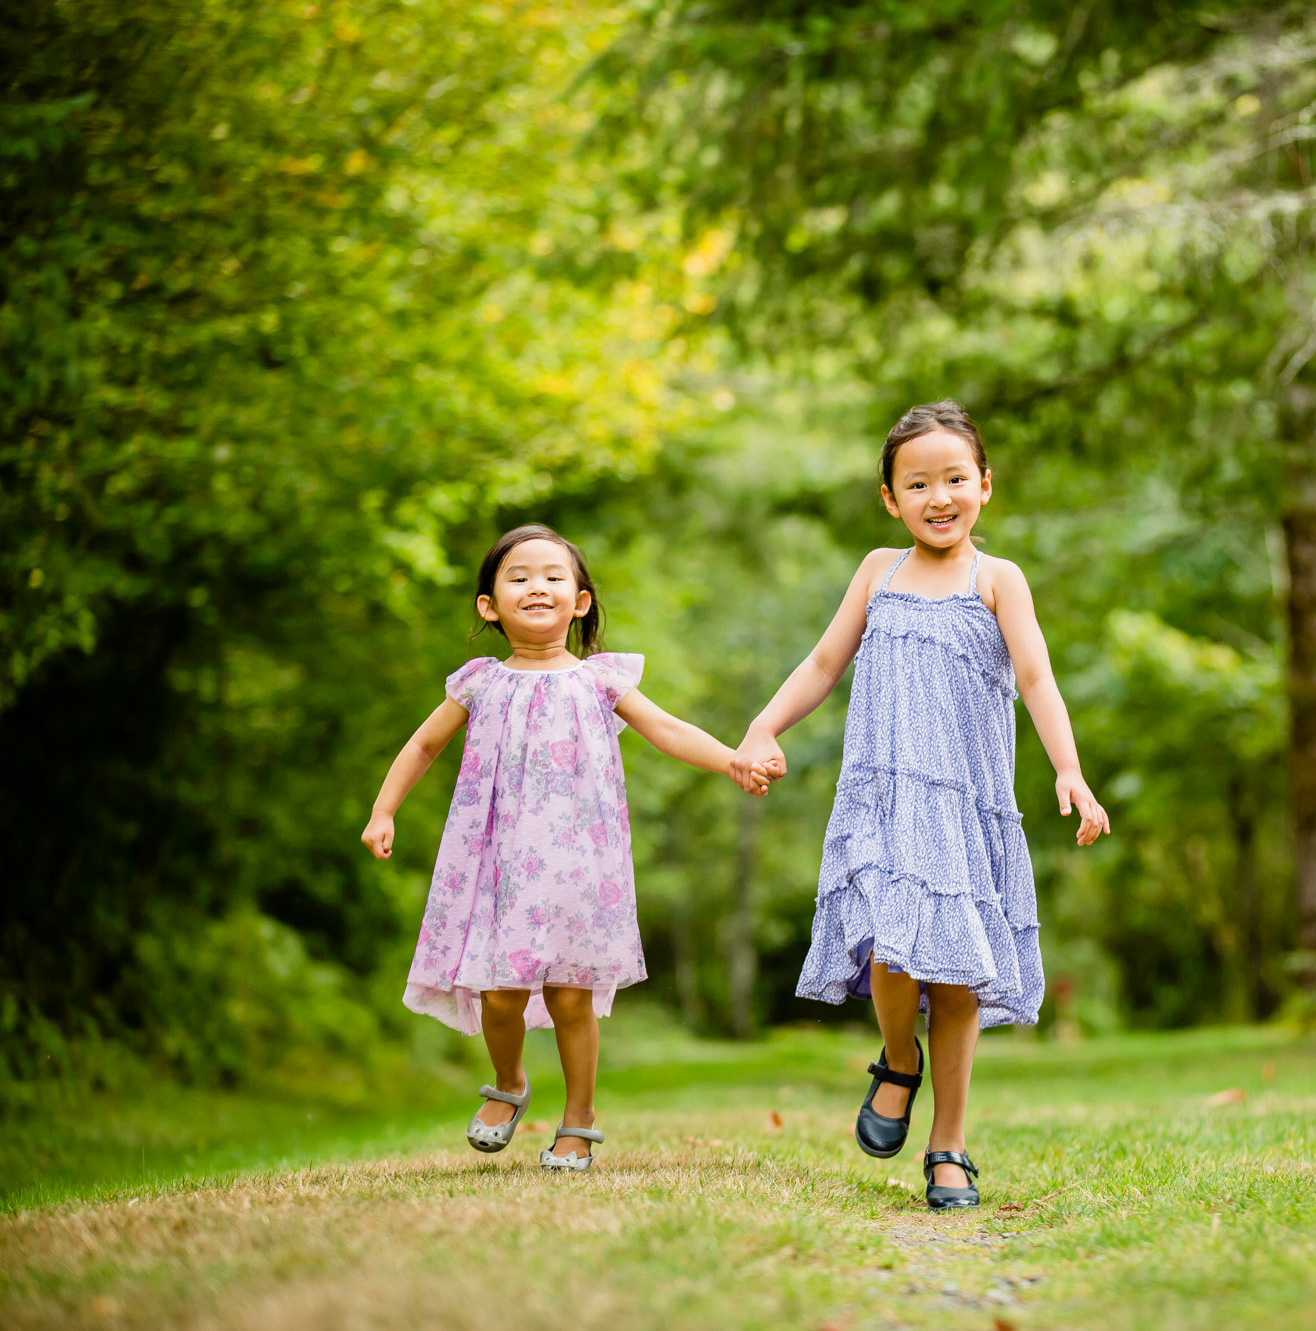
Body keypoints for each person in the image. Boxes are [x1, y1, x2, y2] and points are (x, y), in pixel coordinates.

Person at [731, 401, 1110, 1210]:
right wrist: (764, 724)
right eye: (918, 484)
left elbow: (1037, 678)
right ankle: (899, 1056)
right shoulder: (878, 571)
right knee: (892, 953)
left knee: (955, 974)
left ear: (984, 485)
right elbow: (824, 660)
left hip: (964, 806)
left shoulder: (998, 579)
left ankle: (950, 1144)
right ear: (890, 498)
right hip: (882, 794)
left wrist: (1068, 770)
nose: (938, 496)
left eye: (954, 479)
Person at [364, 524, 771, 1171]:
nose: (537, 586)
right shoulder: (479, 683)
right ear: (488, 605)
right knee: (498, 991)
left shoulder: (599, 680)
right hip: (500, 866)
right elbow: (422, 746)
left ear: (579, 601)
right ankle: (510, 1083)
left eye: (553, 576)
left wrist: (731, 761)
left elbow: (666, 728)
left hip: (580, 866)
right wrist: (385, 809)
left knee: (570, 995)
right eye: (518, 576)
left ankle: (578, 1120)